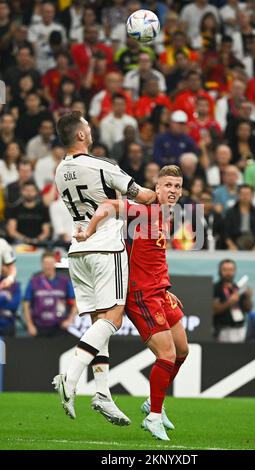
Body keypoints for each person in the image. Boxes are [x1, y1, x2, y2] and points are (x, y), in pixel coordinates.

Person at [53, 111, 156, 425]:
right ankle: (70, 376)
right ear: (81, 135)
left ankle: (102, 394)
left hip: (78, 250)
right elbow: (143, 197)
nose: (91, 129)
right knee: (113, 316)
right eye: (87, 126)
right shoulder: (102, 166)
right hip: (106, 246)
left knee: (99, 321)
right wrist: (160, 192)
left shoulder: (59, 171)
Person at [75, 165, 189, 441]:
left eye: (177, 186)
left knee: (183, 350)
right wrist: (88, 231)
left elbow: (155, 256)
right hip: (141, 294)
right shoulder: (145, 211)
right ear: (156, 187)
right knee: (167, 355)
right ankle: (154, 417)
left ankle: (153, 402)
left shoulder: (167, 216)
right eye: (168, 185)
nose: (173, 190)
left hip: (159, 291)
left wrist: (166, 287)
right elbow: (108, 205)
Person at [23, 251, 76, 338]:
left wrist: (70, 320)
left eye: (50, 263)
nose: (48, 266)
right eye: (45, 263)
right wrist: (30, 325)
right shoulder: (34, 281)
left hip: (60, 327)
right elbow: (26, 304)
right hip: (39, 327)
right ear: (42, 264)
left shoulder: (64, 281)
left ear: (55, 263)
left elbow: (75, 303)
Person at [213, 259, 253, 342]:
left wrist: (248, 297)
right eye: (225, 270)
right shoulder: (215, 288)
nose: (228, 273)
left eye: (231, 270)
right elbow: (214, 310)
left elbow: (248, 309)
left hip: (241, 328)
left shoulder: (238, 287)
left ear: (235, 271)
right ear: (220, 271)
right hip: (223, 329)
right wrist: (230, 302)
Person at [6, 180, 51, 246]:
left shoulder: (43, 209)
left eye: (32, 190)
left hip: (39, 242)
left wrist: (36, 240)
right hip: (19, 241)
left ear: (36, 192)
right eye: (26, 190)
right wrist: (24, 239)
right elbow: (12, 231)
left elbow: (46, 232)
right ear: (21, 191)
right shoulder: (14, 209)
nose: (29, 193)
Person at [224, 184, 255, 251]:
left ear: (252, 196)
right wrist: (231, 246)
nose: (245, 196)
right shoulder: (230, 213)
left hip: (253, 242)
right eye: (242, 194)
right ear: (238, 195)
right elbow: (226, 233)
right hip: (235, 243)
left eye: (248, 194)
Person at [0, 264, 21, 337]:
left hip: (8, 324)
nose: (3, 268)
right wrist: (5, 296)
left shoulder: (15, 285)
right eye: (2, 265)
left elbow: (14, 305)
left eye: (6, 266)